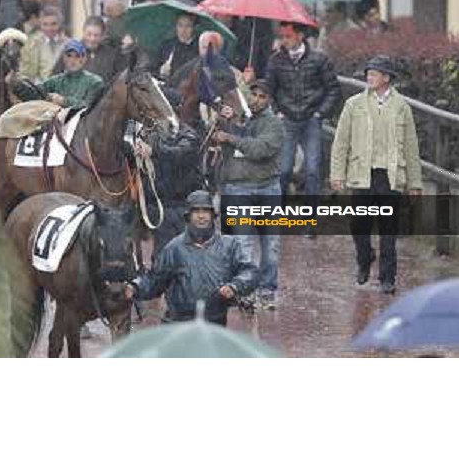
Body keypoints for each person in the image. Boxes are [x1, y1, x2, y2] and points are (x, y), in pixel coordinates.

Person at [330, 56, 423, 295]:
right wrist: (337, 174)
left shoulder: (402, 106)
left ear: (386, 78)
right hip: (362, 173)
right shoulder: (354, 104)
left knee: (388, 229)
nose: (369, 77)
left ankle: (387, 277)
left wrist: (415, 182)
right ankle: (364, 257)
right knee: (358, 224)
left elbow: (412, 147)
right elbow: (341, 142)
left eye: (374, 73)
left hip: (391, 176)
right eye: (368, 73)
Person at [125, 190, 258, 326]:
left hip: (215, 323)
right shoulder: (174, 248)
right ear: (188, 216)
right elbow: (154, 280)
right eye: (196, 212)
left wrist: (235, 286)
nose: (201, 216)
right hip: (179, 324)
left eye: (205, 212)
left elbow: (250, 272)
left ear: (213, 215)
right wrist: (135, 287)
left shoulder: (229, 245)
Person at [213, 80, 285, 309]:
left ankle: (267, 290)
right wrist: (225, 119)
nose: (256, 99)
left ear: (269, 100)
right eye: (253, 94)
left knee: (270, 244)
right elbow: (221, 139)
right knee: (242, 244)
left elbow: (261, 150)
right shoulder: (242, 119)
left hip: (267, 187)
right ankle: (245, 289)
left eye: (262, 96)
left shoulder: (274, 124)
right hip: (237, 187)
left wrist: (231, 138)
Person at [266, 22, 342, 236]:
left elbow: (333, 89)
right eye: (282, 36)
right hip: (287, 120)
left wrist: (320, 113)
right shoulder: (276, 60)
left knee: (312, 170)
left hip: (311, 120)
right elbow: (268, 89)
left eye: (288, 36)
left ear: (300, 36)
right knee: (283, 170)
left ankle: (310, 221)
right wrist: (277, 111)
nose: (284, 40)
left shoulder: (319, 59)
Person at [131, 88, 203, 254]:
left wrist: (154, 151)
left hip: (181, 207)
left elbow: (182, 153)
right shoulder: (149, 134)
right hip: (158, 206)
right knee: (162, 255)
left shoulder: (187, 134)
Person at [11, 39, 104, 109]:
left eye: (77, 56)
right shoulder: (55, 81)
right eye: (69, 56)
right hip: (55, 128)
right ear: (64, 58)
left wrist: (64, 101)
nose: (73, 60)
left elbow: (89, 107)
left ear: (84, 59)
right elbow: (34, 96)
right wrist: (17, 84)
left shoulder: (95, 82)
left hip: (83, 130)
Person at [19, 6, 69, 83]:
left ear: (60, 24)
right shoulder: (32, 44)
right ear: (40, 25)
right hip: (41, 89)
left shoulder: (68, 44)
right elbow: (27, 73)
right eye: (45, 24)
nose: (49, 28)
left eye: (53, 24)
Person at [79, 16, 127, 83]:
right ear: (83, 33)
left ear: (103, 36)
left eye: (96, 35)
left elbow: (120, 80)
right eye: (89, 34)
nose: (92, 39)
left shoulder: (112, 54)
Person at [155, 13, 199, 79]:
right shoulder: (167, 45)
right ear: (176, 26)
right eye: (180, 25)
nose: (183, 30)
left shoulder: (199, 48)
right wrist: (160, 71)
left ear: (194, 27)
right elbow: (153, 68)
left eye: (188, 26)